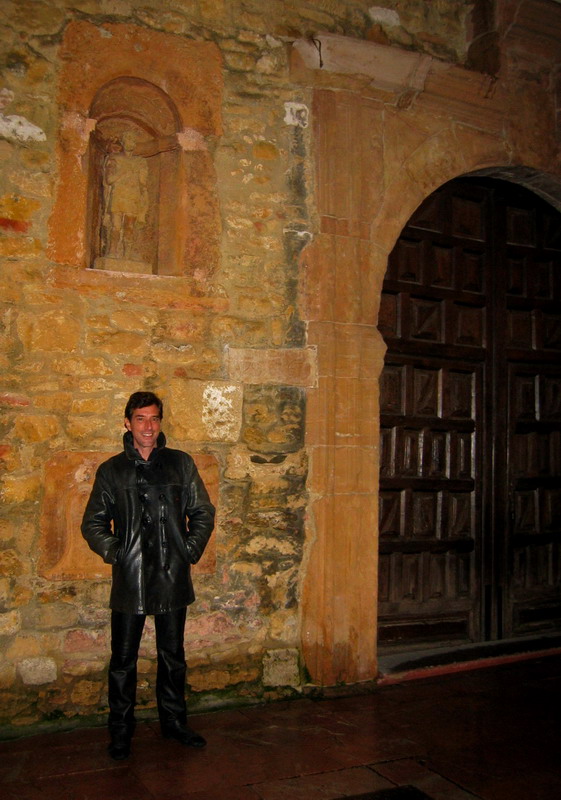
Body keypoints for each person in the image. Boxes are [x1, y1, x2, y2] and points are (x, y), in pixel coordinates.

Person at [81, 391, 215, 761]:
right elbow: (93, 522)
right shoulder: (112, 470)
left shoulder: (180, 464)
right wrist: (117, 552)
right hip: (131, 576)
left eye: (154, 418)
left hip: (172, 574)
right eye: (140, 418)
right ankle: (121, 729)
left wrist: (188, 550)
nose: (148, 426)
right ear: (127, 422)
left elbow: (202, 512)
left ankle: (174, 722)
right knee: (123, 659)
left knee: (173, 655)